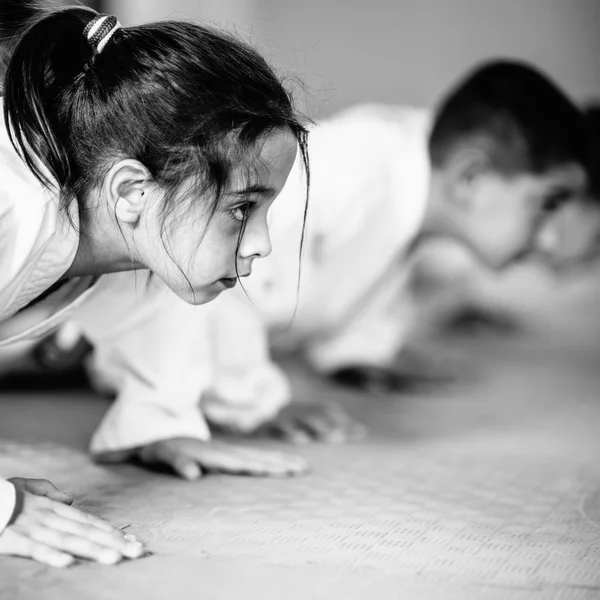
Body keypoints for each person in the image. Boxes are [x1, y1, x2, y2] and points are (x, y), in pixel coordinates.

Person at [78, 60, 588, 440]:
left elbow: (367, 271)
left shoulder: (413, 191)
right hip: (85, 319)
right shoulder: (356, 169)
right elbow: (212, 263)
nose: (547, 237)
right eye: (548, 203)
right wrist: (257, 399)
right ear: (472, 177)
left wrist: (362, 353)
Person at [0, 1, 309, 568]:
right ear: (132, 190)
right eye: (243, 208)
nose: (263, 242)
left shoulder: (124, 224)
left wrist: (157, 423)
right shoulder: (10, 207)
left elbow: (143, 315)